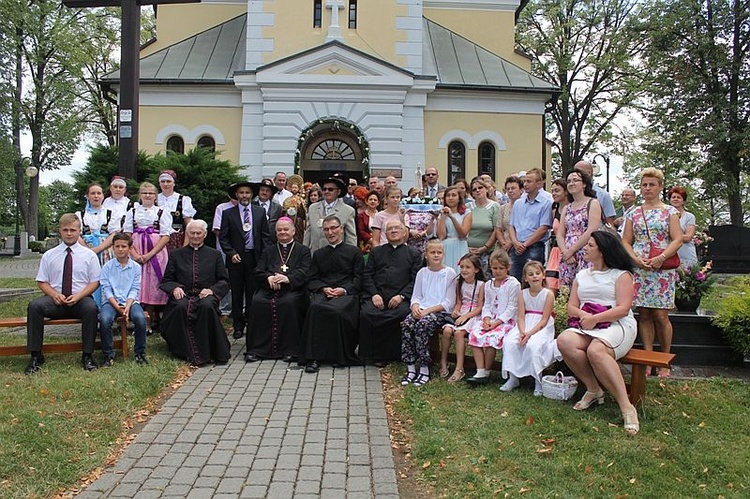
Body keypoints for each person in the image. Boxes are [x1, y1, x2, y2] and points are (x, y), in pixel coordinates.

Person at [557, 231, 640, 434]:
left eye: (590, 245)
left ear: (602, 251)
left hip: (617, 324)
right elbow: (572, 307)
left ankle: (627, 407)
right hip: (588, 324)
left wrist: (596, 319)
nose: (585, 248)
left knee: (596, 350)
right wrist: (586, 316)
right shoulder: (582, 275)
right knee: (564, 340)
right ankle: (593, 389)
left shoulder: (621, 275)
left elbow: (623, 308)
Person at [622, 167, 682, 377]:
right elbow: (626, 241)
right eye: (644, 184)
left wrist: (661, 258)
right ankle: (648, 359)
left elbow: (677, 238)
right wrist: (635, 259)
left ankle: (664, 359)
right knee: (644, 313)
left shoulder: (670, 212)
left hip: (662, 268)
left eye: (652, 185)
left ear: (660, 187)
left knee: (661, 315)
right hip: (640, 268)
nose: (647, 188)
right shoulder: (634, 212)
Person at [25, 213, 101, 374]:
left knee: (92, 308)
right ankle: (35, 355)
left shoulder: (89, 255)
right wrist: (54, 295)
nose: (69, 233)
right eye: (65, 230)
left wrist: (79, 296)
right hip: (55, 301)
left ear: (79, 231)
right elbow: (42, 281)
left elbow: (95, 282)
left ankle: (87, 355)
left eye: (72, 230)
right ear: (59, 230)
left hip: (80, 299)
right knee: (34, 306)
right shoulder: (49, 255)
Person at [160, 220, 231, 366]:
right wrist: (175, 288)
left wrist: (212, 290)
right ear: (187, 234)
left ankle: (210, 350)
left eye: (199, 233)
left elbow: (224, 281)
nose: (195, 236)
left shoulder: (215, 255)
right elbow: (166, 280)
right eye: (192, 233)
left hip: (205, 295)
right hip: (184, 294)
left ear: (205, 234)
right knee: (180, 307)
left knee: (207, 306)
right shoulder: (176, 254)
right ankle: (182, 350)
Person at [300, 216, 364, 372]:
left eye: (334, 228)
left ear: (341, 229)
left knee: (336, 311)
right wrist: (323, 288)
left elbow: (359, 278)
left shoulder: (354, 252)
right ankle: (314, 358)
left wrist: (344, 290)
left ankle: (339, 356)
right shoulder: (319, 254)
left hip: (347, 293)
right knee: (315, 308)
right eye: (326, 229)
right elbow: (312, 278)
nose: (330, 232)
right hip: (325, 292)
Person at [245, 217, 312, 362]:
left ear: (293, 231)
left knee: (288, 303)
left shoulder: (303, 250)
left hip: (293, 290)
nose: (283, 232)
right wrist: (268, 277)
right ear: (275, 233)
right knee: (257, 302)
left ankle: (290, 349)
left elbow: (305, 271)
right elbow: (258, 270)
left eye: (286, 229)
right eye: (279, 230)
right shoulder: (268, 250)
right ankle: (257, 349)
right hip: (269, 289)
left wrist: (288, 279)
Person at [359, 219, 422, 366]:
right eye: (390, 229)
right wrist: (374, 294)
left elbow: (416, 280)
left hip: (400, 297)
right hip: (377, 295)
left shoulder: (414, 254)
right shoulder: (376, 252)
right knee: (367, 313)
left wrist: (401, 296)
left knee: (397, 314)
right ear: (385, 233)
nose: (393, 231)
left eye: (397, 228)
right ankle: (368, 354)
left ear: (404, 232)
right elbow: (367, 275)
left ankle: (390, 354)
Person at [400, 239, 457, 387]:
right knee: (407, 324)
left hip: (440, 313)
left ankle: (424, 368)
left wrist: (427, 311)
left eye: (439, 252)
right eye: (433, 252)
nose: (436, 255)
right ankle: (411, 367)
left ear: (443, 254)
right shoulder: (422, 272)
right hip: (422, 309)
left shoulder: (449, 273)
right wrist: (415, 307)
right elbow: (416, 296)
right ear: (426, 255)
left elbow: (447, 302)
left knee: (422, 326)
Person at [219, 181, 271, 341]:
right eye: (241, 193)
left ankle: (251, 323)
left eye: (247, 193)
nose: (244, 196)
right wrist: (230, 253)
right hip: (236, 259)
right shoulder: (229, 213)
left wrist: (264, 258)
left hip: (254, 258)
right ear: (236, 195)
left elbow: (265, 236)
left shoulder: (259, 212)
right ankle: (238, 326)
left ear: (252, 194)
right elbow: (223, 237)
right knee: (236, 293)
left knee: (252, 293)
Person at [499, 260, 559, 395]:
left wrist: (529, 334)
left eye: (538, 273)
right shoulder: (522, 293)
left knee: (533, 345)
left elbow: (544, 319)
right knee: (510, 342)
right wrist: (522, 332)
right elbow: (520, 316)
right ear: (525, 278)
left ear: (543, 275)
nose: (535, 276)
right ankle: (513, 378)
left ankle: (538, 380)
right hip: (525, 323)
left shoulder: (548, 294)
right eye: (531, 274)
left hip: (541, 327)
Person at [122, 182, 173, 332]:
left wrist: (150, 254)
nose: (148, 195)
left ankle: (150, 321)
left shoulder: (162, 212)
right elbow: (127, 234)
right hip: (136, 249)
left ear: (156, 196)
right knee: (138, 284)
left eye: (151, 193)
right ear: (139, 195)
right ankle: (136, 320)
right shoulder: (132, 212)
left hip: (156, 253)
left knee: (152, 285)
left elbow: (165, 236)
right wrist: (135, 254)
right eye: (144, 193)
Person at [465, 250, 520, 385]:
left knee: (492, 338)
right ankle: (480, 370)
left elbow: (512, 308)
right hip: (490, 319)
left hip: (505, 321)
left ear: (508, 268)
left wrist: (496, 322)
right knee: (475, 334)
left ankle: (487, 370)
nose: (498, 271)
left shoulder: (513, 284)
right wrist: (486, 319)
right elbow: (487, 304)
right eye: (495, 268)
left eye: (501, 268)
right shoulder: (489, 284)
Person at [99, 232, 149, 366]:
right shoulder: (107, 267)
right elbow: (106, 289)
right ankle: (108, 354)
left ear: (129, 248)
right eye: (117, 246)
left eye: (123, 246)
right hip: (111, 302)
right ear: (113, 248)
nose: (120, 249)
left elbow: (134, 289)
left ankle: (140, 353)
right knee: (104, 320)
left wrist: (126, 307)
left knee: (140, 319)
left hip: (130, 302)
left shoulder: (136, 268)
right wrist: (117, 307)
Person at [439, 253, 485, 384]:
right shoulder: (459, 282)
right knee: (447, 330)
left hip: (474, 314)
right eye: (462, 267)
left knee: (459, 333)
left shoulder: (481, 285)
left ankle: (459, 368)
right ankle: (444, 361)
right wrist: (456, 311)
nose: (464, 270)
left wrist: (465, 316)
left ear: (476, 269)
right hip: (462, 312)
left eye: (468, 267)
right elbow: (459, 302)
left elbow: (480, 306)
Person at [557, 168, 602, 287]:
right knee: (567, 290)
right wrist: (565, 252)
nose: (571, 183)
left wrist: (572, 250)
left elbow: (592, 229)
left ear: (584, 184)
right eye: (569, 181)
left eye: (575, 180)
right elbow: (560, 233)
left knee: (585, 287)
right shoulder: (567, 208)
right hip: (567, 256)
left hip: (586, 252)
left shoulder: (593, 203)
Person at [508, 168, 553, 281]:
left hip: (534, 246)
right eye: (525, 181)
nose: (526, 184)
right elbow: (511, 225)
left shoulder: (546, 203)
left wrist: (525, 244)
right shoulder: (518, 203)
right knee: (514, 279)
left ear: (538, 184)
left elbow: (543, 228)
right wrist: (515, 242)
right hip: (516, 246)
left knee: (533, 279)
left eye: (529, 181)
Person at [304, 175, 357, 252]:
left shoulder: (348, 210)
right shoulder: (313, 208)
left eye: (330, 189)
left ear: (338, 192)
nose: (327, 191)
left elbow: (351, 238)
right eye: (324, 189)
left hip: (337, 257)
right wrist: (304, 253)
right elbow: (307, 234)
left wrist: (350, 256)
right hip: (315, 255)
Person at [157, 169, 196, 250]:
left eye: (168, 181)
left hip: (177, 239)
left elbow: (189, 224)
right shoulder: (154, 199)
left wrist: (185, 245)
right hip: (157, 239)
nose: (165, 184)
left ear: (174, 183)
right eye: (163, 181)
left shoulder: (183, 200)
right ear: (159, 183)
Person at [467, 177, 499, 274]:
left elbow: (496, 230)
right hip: (468, 251)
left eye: (480, 188)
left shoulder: (495, 206)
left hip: (487, 252)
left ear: (486, 189)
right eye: (474, 189)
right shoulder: (467, 207)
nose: (477, 191)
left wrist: (484, 247)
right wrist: (466, 247)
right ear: (471, 193)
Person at [437, 186, 472, 273]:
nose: (450, 198)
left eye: (454, 195)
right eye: (448, 195)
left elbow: (463, 233)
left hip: (460, 245)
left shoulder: (467, 213)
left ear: (459, 198)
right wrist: (443, 218)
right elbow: (441, 236)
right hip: (446, 246)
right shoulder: (441, 214)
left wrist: (452, 217)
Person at [574, 160, 616, 226]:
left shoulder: (603, 195)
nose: (575, 174)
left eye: (578, 172)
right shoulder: (570, 194)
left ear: (589, 173)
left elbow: (609, 222)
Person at [545, 178, 568, 291]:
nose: (554, 193)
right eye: (553, 191)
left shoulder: (572, 208)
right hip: (556, 250)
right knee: (551, 282)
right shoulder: (554, 208)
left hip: (569, 248)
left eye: (557, 190)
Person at [669, 186, 698, 268]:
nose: (675, 199)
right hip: (669, 254)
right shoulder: (664, 216)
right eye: (673, 197)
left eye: (679, 197)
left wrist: (670, 234)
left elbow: (688, 237)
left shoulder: (689, 217)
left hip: (685, 253)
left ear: (683, 201)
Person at [495, 175, 524, 254]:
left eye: (513, 188)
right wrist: (504, 244)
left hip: (519, 246)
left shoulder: (525, 207)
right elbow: (498, 229)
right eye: (508, 189)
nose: (510, 191)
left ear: (521, 190)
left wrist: (511, 242)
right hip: (504, 247)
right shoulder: (503, 208)